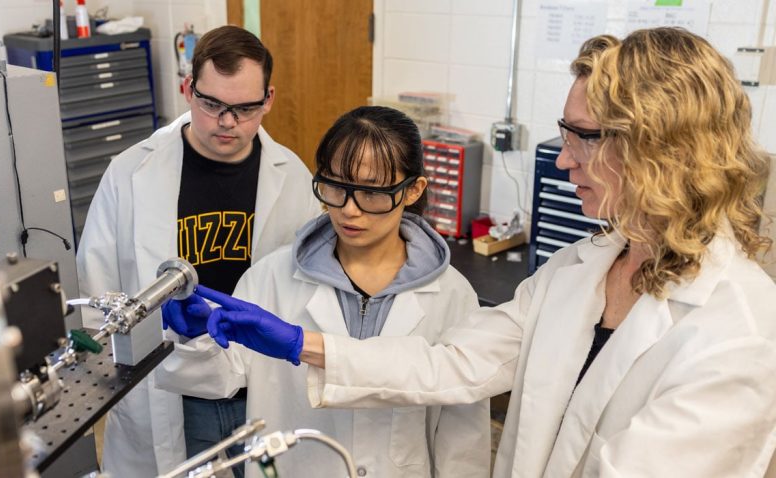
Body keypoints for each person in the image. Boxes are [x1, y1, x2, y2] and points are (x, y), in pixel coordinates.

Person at [191, 28, 776, 477]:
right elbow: (451, 364)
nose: (564, 159)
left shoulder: (738, 329)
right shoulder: (581, 270)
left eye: (582, 137)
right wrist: (299, 343)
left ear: (659, 147)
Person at [156, 106, 490, 477]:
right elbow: (221, 379)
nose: (349, 210)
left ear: (413, 190)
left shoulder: (451, 295)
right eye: (335, 186)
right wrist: (196, 339)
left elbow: (463, 438)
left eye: (371, 192)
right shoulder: (272, 277)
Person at [75, 25, 318, 477]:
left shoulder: (294, 178)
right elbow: (96, 287)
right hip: (170, 388)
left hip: (258, 386)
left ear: (268, 99)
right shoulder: (131, 172)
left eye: (245, 108)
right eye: (212, 105)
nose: (228, 122)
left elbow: (308, 288)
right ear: (188, 89)